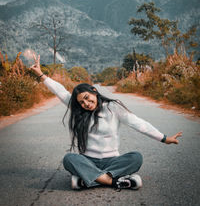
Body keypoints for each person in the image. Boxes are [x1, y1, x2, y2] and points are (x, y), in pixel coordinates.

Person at [31, 54, 182, 191]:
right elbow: (61, 91)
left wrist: (163, 138)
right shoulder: (79, 110)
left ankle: (87, 179)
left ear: (94, 91)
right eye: (81, 102)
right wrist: (41, 75)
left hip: (113, 162)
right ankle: (114, 181)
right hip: (88, 160)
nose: (86, 103)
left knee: (136, 157)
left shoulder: (113, 108)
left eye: (87, 97)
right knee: (69, 159)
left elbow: (138, 123)